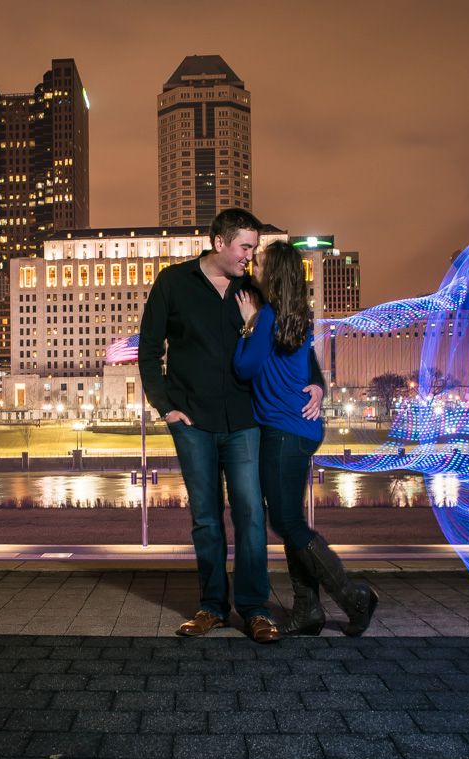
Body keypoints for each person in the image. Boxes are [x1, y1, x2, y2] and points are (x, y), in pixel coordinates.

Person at [139, 209, 323, 643]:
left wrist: (315, 381)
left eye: (254, 249)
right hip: (192, 421)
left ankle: (256, 610)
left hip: (246, 421)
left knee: (251, 517)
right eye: (245, 247)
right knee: (205, 519)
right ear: (219, 242)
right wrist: (165, 407)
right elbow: (148, 351)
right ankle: (211, 608)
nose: (250, 256)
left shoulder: (254, 286)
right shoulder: (173, 282)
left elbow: (292, 332)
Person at [232, 241, 379, 636]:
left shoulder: (265, 318)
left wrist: (247, 324)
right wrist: (318, 386)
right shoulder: (296, 317)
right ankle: (307, 610)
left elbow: (244, 368)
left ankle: (353, 598)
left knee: (287, 521)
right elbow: (307, 369)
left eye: (259, 262)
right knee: (289, 518)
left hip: (282, 432)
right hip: (298, 430)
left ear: (273, 273)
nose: (252, 266)